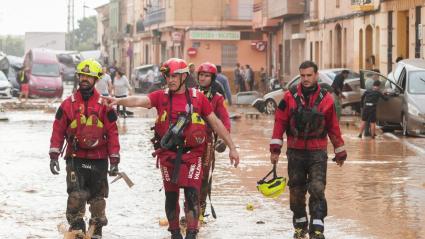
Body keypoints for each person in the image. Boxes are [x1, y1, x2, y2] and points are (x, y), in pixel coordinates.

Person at [102, 58, 239, 239]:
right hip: (168, 156)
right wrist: (118, 100)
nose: (170, 80)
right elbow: (139, 100)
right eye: (168, 76)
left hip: (193, 156)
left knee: (192, 196)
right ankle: (174, 233)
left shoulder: (199, 99)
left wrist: (232, 147)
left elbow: (216, 122)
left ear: (184, 77)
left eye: (174, 76)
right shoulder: (161, 96)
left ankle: (192, 233)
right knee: (171, 197)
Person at [269, 61, 347, 239]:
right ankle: (300, 225)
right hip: (295, 153)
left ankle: (317, 228)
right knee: (296, 190)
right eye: (302, 75)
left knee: (317, 189)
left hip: (317, 152)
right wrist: (275, 149)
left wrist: (340, 151)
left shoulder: (326, 99)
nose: (305, 79)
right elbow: (279, 122)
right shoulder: (289, 97)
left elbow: (333, 126)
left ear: (316, 75)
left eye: (309, 75)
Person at [49, 59, 120, 239]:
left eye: (89, 76)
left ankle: (96, 231)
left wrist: (114, 161)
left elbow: (113, 133)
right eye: (82, 75)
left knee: (98, 200)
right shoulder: (67, 104)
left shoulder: (105, 104)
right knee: (76, 196)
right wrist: (53, 155)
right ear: (78, 77)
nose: (85, 79)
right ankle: (77, 229)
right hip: (75, 158)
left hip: (99, 160)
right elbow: (57, 129)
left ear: (96, 79)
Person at [196, 62, 231, 222]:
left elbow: (225, 120)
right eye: (201, 75)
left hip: (207, 142)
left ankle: (200, 211)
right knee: (188, 178)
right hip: (188, 143)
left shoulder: (217, 98)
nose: (203, 78)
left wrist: (224, 140)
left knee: (203, 177)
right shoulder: (191, 94)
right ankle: (189, 209)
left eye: (207, 76)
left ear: (213, 78)